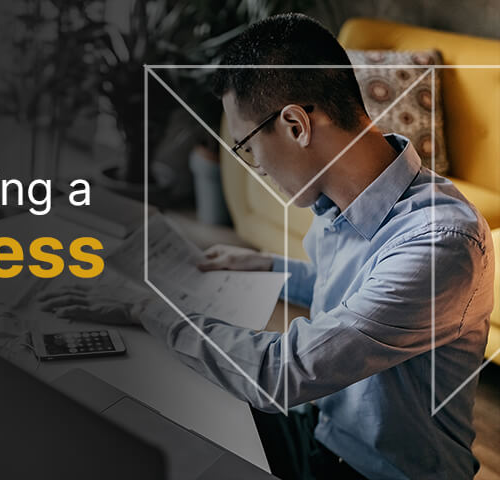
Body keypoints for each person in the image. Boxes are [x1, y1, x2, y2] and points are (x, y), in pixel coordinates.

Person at [37, 13, 493, 480]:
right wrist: (263, 263)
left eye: (246, 147)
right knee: (166, 413)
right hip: (326, 432)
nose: (254, 166)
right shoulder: (345, 202)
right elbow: (356, 288)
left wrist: (146, 309)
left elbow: (283, 372)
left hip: (377, 472)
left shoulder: (440, 245)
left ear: (296, 125)